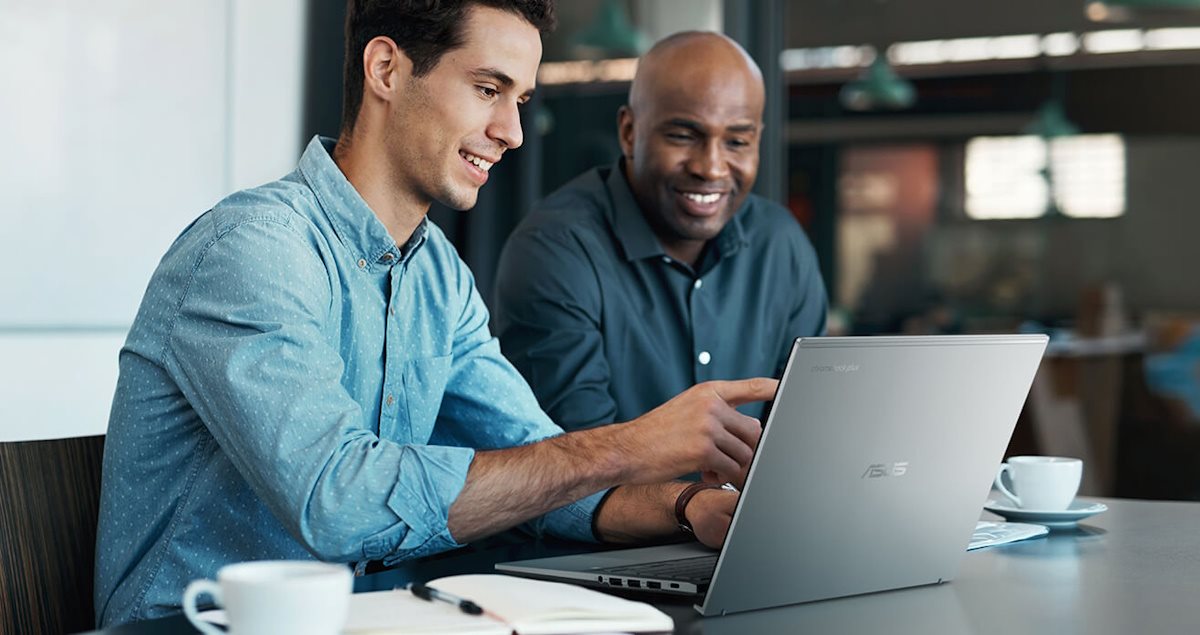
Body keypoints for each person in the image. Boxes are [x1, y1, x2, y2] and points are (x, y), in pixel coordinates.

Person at [93, 1, 775, 627]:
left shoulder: (438, 277)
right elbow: (338, 500)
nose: (511, 132)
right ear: (386, 69)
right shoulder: (253, 250)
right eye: (488, 90)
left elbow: (537, 469)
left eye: (521, 100)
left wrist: (689, 507)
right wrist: (629, 443)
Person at [493, 32, 827, 432]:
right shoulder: (555, 249)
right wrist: (700, 498)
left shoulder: (779, 243)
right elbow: (574, 464)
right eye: (684, 136)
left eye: (737, 141)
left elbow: (805, 426)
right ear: (630, 133)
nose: (712, 168)